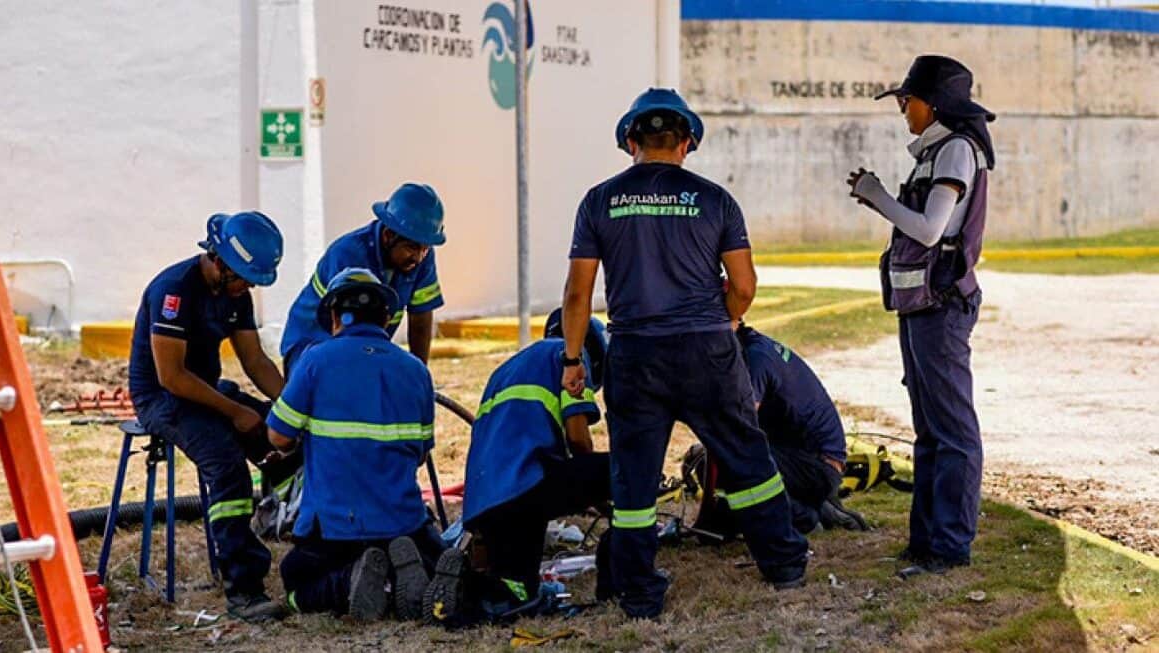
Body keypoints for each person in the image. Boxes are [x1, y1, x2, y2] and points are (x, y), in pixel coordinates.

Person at [560, 87, 809, 619]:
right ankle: (784, 564)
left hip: (635, 356)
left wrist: (573, 359)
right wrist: (727, 319)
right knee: (747, 459)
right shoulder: (716, 200)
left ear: (631, 140)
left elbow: (578, 293)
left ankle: (638, 592)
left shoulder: (599, 201)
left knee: (634, 479)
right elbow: (742, 285)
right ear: (687, 143)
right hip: (708, 353)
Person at [847, 55, 995, 577]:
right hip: (922, 307)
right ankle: (927, 542)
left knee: (950, 430)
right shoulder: (938, 150)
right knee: (929, 429)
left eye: (906, 101)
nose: (902, 111)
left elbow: (931, 230)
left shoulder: (955, 150)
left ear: (932, 104)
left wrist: (877, 196)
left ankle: (949, 548)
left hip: (942, 307)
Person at [127, 211, 293, 622]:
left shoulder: (236, 294)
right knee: (228, 469)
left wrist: (291, 411)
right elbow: (172, 377)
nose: (247, 287)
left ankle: (309, 539)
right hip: (163, 399)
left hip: (206, 392)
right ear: (217, 260)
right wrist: (235, 411)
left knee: (285, 443)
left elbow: (254, 360)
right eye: (243, 277)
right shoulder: (174, 290)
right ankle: (244, 590)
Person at [266, 268, 444, 621]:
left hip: (334, 527)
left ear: (334, 316)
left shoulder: (316, 359)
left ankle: (348, 583)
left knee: (296, 578)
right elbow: (421, 454)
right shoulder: (415, 370)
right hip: (403, 522)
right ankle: (420, 574)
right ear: (385, 317)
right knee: (432, 554)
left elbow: (278, 437)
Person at [423, 309, 611, 627]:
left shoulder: (505, 368)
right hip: (526, 490)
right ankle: (629, 562)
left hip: (484, 505)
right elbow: (579, 442)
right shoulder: (571, 358)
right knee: (622, 468)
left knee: (518, 592)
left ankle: (473, 586)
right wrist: (606, 499)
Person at [689, 324, 867, 538]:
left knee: (732, 459)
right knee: (704, 458)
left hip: (817, 466)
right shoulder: (748, 347)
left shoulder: (755, 360)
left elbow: (735, 429)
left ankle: (803, 517)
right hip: (796, 457)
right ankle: (811, 508)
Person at [279, 183, 446, 373]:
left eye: (425, 249)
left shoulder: (421, 257)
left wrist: (417, 375)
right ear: (388, 235)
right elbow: (343, 332)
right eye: (412, 248)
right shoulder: (349, 254)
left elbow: (420, 320)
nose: (418, 257)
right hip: (311, 348)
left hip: (363, 350)